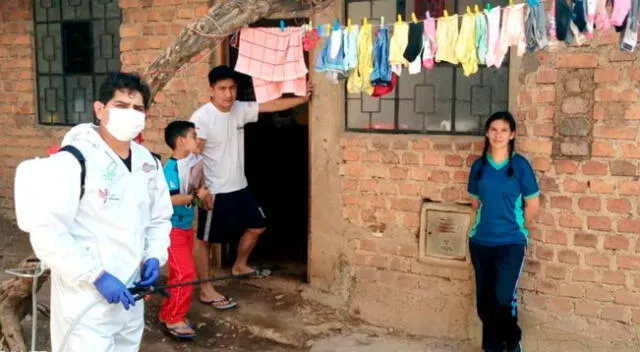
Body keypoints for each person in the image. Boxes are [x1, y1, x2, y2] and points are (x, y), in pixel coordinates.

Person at [28, 72, 173, 351]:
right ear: (99, 109)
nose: (130, 114)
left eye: (138, 108)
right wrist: (96, 276)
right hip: (85, 300)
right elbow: (47, 233)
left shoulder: (147, 163)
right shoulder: (74, 160)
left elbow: (159, 218)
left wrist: (154, 256)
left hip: (131, 295)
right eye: (120, 106)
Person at [190, 65, 311, 306]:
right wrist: (199, 191)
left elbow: (270, 105)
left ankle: (239, 266)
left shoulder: (239, 109)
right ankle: (205, 288)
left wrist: (303, 98)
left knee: (258, 226)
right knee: (204, 240)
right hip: (215, 192)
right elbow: (194, 158)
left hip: (239, 187)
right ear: (211, 91)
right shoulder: (202, 119)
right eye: (222, 89)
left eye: (232, 88)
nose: (228, 94)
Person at [467, 111, 541, 352]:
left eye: (504, 130)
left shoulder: (520, 166)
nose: (498, 135)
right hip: (481, 242)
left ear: (512, 135)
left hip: (510, 243)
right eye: (494, 129)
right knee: (484, 304)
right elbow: (476, 203)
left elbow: (533, 205)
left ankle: (512, 344)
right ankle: (492, 348)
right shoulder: (479, 167)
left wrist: (515, 225)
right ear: (487, 133)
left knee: (501, 300)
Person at [158, 120, 234, 339]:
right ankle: (174, 319)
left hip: (184, 228)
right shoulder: (170, 169)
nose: (196, 140)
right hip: (171, 229)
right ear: (181, 140)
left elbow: (195, 195)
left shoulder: (192, 164)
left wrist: (203, 199)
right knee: (185, 274)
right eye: (192, 136)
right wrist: (195, 197)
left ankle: (168, 313)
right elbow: (170, 199)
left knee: (177, 274)